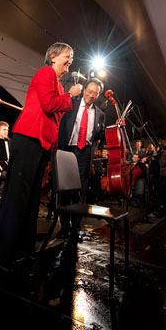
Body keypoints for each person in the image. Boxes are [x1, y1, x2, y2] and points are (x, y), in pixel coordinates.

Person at [0, 42, 82, 268]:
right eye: (67, 56)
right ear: (54, 56)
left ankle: (22, 250)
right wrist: (70, 95)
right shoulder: (46, 72)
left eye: (72, 57)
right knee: (17, 197)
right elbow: (49, 105)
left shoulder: (58, 83)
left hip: (41, 143)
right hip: (29, 138)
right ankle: (2, 254)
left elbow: (56, 115)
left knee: (30, 200)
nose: (70, 61)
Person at [57, 78, 106, 238]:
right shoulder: (72, 103)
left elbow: (101, 135)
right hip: (68, 150)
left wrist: (117, 127)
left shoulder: (100, 114)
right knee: (65, 191)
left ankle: (75, 227)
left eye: (95, 93)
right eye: (89, 91)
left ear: (98, 96)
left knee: (80, 192)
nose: (91, 95)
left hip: (85, 154)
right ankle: (64, 227)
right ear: (84, 89)